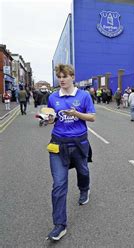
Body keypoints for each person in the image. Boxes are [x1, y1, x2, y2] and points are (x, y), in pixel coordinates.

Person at [45, 64, 96, 241]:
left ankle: (84, 189)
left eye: (65, 76)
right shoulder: (53, 97)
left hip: (79, 142)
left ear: (72, 77)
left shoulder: (84, 96)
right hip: (58, 144)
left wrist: (77, 114)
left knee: (83, 170)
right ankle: (59, 225)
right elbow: (52, 118)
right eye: (59, 76)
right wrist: (48, 119)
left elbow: (92, 117)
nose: (62, 79)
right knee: (59, 184)